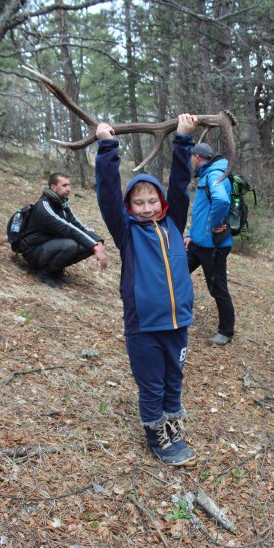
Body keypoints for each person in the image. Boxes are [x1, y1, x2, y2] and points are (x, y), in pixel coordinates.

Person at [95, 114, 198, 466]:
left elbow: (180, 184)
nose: (146, 208)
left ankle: (172, 425)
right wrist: (107, 148)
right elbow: (108, 195)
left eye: (152, 200)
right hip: (144, 325)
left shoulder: (173, 223)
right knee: (152, 383)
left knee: (174, 379)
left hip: (178, 322)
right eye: (138, 203)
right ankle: (156, 434)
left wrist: (182, 140)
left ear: (161, 202)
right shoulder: (127, 232)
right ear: (129, 207)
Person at [184, 142, 235, 346]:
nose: (190, 161)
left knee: (217, 288)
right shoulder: (208, 175)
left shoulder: (214, 175)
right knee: (176, 272)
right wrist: (191, 233)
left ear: (197, 157)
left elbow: (221, 201)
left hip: (213, 246)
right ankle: (178, 312)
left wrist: (215, 225)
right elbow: (201, 211)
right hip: (198, 243)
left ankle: (226, 331)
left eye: (191, 157)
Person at [22, 172, 107, 288]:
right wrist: (95, 246)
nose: (68, 189)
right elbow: (68, 229)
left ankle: (56, 270)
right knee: (71, 245)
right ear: (53, 187)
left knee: (87, 245)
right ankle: (45, 274)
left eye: (69, 185)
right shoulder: (44, 207)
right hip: (33, 250)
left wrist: (98, 241)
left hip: (48, 245)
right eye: (64, 185)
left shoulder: (61, 204)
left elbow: (78, 225)